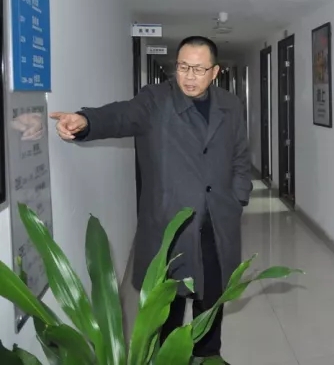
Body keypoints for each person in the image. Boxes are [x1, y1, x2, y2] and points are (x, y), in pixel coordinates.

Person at [50, 36, 252, 363]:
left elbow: (240, 155)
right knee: (166, 306)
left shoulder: (231, 105)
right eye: (183, 67)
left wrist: (238, 196)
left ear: (214, 72)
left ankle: (208, 356)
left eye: (199, 69)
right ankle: (168, 358)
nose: (189, 76)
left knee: (212, 300)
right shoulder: (155, 101)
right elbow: (121, 115)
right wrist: (86, 121)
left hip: (217, 222)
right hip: (170, 225)